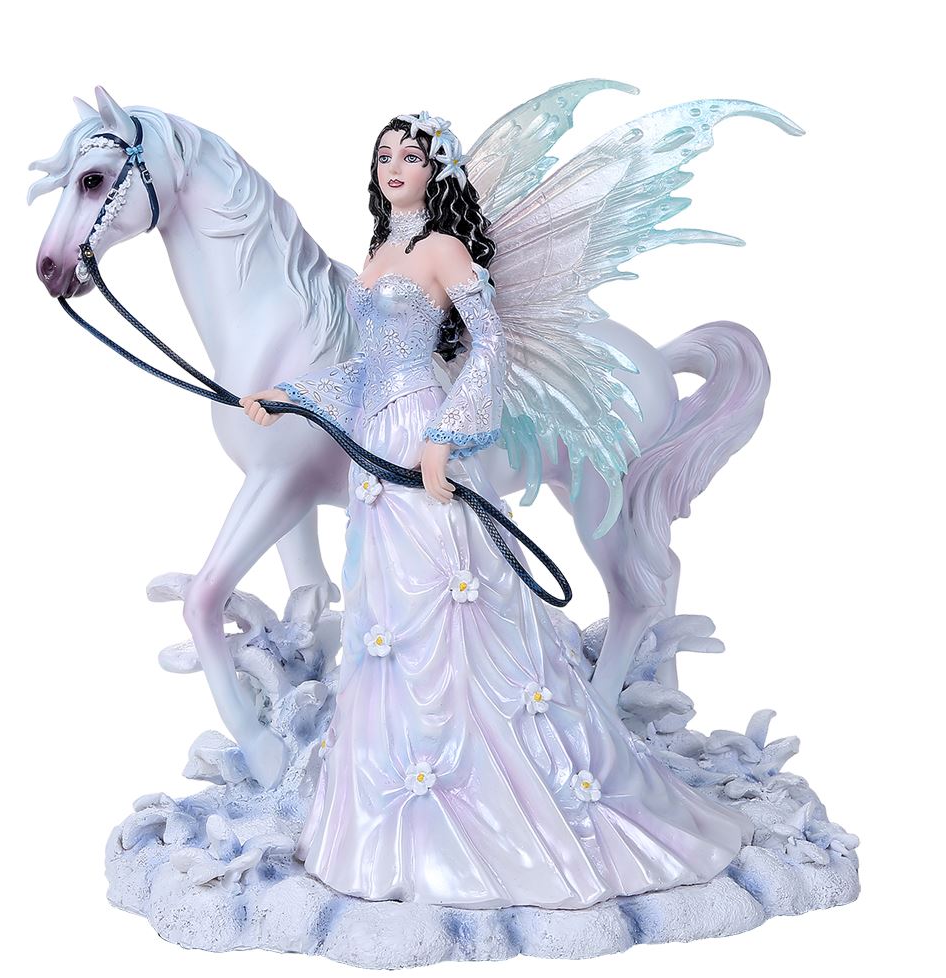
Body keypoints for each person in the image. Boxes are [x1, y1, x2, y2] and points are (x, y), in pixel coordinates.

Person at [239, 113, 753, 909]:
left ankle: (497, 798)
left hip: (423, 437)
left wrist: (446, 437)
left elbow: (490, 345)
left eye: (411, 156)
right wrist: (293, 395)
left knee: (451, 607)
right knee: (389, 621)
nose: (393, 166)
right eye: (383, 155)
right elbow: (365, 370)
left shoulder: (443, 249)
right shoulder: (377, 256)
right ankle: (396, 812)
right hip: (374, 451)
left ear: (437, 170)